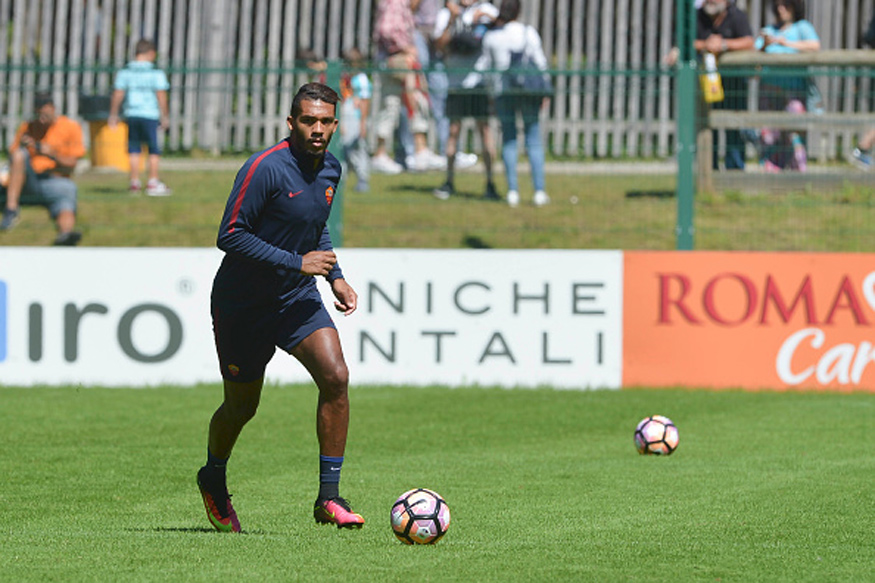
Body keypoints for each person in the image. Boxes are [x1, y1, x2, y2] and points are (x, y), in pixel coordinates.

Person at [197, 83, 364, 533]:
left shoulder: (332, 169)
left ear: (335, 124)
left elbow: (315, 227)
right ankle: (213, 476)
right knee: (241, 408)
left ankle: (329, 497)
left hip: (295, 297)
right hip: (243, 305)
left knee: (336, 376)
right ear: (291, 123)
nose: (317, 129)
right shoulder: (265, 168)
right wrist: (298, 262)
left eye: (325, 121)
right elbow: (230, 235)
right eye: (308, 121)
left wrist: (334, 275)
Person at [465, 0, 551, 207]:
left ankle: (513, 191)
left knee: (509, 139)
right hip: (528, 91)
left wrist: (490, 94)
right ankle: (539, 191)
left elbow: (487, 69)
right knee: (533, 138)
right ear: (518, 11)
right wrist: (545, 91)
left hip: (503, 93)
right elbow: (541, 64)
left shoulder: (492, 37)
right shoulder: (528, 33)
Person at [432, 0, 499, 201]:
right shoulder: (446, 14)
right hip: (455, 83)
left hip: (479, 83)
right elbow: (439, 45)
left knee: (485, 132)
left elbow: (504, 28)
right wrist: (452, 20)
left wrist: (486, 20)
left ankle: (490, 183)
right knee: (453, 132)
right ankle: (449, 181)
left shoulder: (486, 10)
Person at [0, 92, 85, 245]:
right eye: (38, 115)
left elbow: (72, 164)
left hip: (55, 179)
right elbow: (13, 155)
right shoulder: (28, 127)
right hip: (26, 180)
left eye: (45, 115)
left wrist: (51, 154)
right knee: (19, 155)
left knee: (67, 192)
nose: (41, 120)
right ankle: (11, 210)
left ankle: (65, 235)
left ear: (53, 108)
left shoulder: (70, 127)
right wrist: (24, 145)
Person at [371, 0, 445, 174]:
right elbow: (386, 30)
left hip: (392, 58)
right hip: (398, 58)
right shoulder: (396, 2)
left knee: (394, 104)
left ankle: (413, 151)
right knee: (414, 100)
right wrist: (406, 48)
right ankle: (419, 151)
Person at [754, 0, 820, 172]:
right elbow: (754, 59)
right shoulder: (769, 31)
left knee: (794, 133)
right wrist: (766, 45)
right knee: (770, 135)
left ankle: (798, 175)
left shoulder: (802, 27)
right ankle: (771, 175)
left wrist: (786, 44)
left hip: (794, 92)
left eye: (785, 5)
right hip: (769, 90)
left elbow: (814, 46)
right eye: (778, 6)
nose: (781, 9)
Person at [696, 0, 755, 171]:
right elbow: (685, 41)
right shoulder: (697, 16)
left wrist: (724, 44)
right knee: (707, 127)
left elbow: (749, 42)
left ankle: (735, 172)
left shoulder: (737, 16)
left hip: (734, 84)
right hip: (706, 84)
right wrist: (706, 45)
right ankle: (709, 171)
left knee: (734, 127)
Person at [108, 38, 171, 196]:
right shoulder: (155, 73)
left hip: (132, 114)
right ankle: (152, 182)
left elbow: (118, 94)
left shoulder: (126, 72)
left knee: (134, 149)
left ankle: (134, 182)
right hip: (150, 114)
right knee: (153, 149)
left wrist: (113, 114)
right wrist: (165, 115)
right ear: (151, 53)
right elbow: (161, 95)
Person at [340, 48, 372, 192]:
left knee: (357, 148)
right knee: (344, 147)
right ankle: (342, 177)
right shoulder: (348, 79)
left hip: (356, 118)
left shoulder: (361, 80)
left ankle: (362, 178)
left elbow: (365, 102)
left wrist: (362, 124)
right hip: (347, 116)